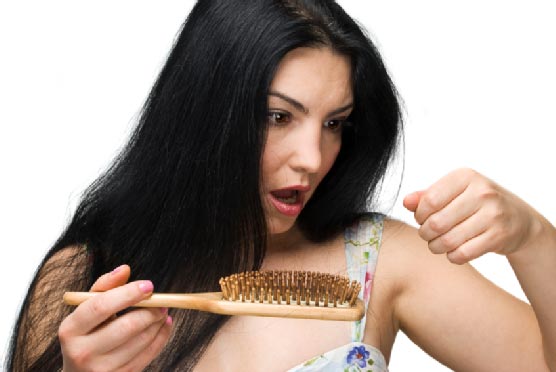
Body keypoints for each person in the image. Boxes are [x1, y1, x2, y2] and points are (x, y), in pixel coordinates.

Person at [6, 0, 555, 371]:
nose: (314, 158)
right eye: (277, 117)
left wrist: (532, 239)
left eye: (334, 123)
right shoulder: (82, 278)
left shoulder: (380, 261)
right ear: (204, 113)